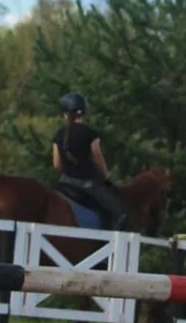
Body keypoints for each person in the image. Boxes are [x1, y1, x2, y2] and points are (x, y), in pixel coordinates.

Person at [51, 92, 129, 230]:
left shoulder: (59, 134)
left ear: (65, 113)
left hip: (64, 183)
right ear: (83, 112)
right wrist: (106, 178)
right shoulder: (90, 133)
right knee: (120, 212)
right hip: (88, 185)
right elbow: (98, 160)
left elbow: (57, 165)